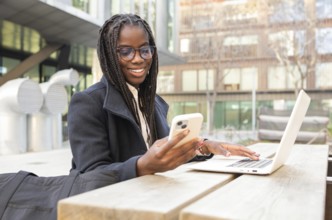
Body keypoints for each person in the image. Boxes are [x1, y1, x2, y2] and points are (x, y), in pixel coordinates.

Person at [67, 13, 259, 183]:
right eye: (125, 52)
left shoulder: (154, 102)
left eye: (144, 49)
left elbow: (165, 154)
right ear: (108, 55)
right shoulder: (87, 102)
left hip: (150, 197)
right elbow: (89, 176)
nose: (138, 58)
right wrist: (142, 165)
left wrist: (205, 146)